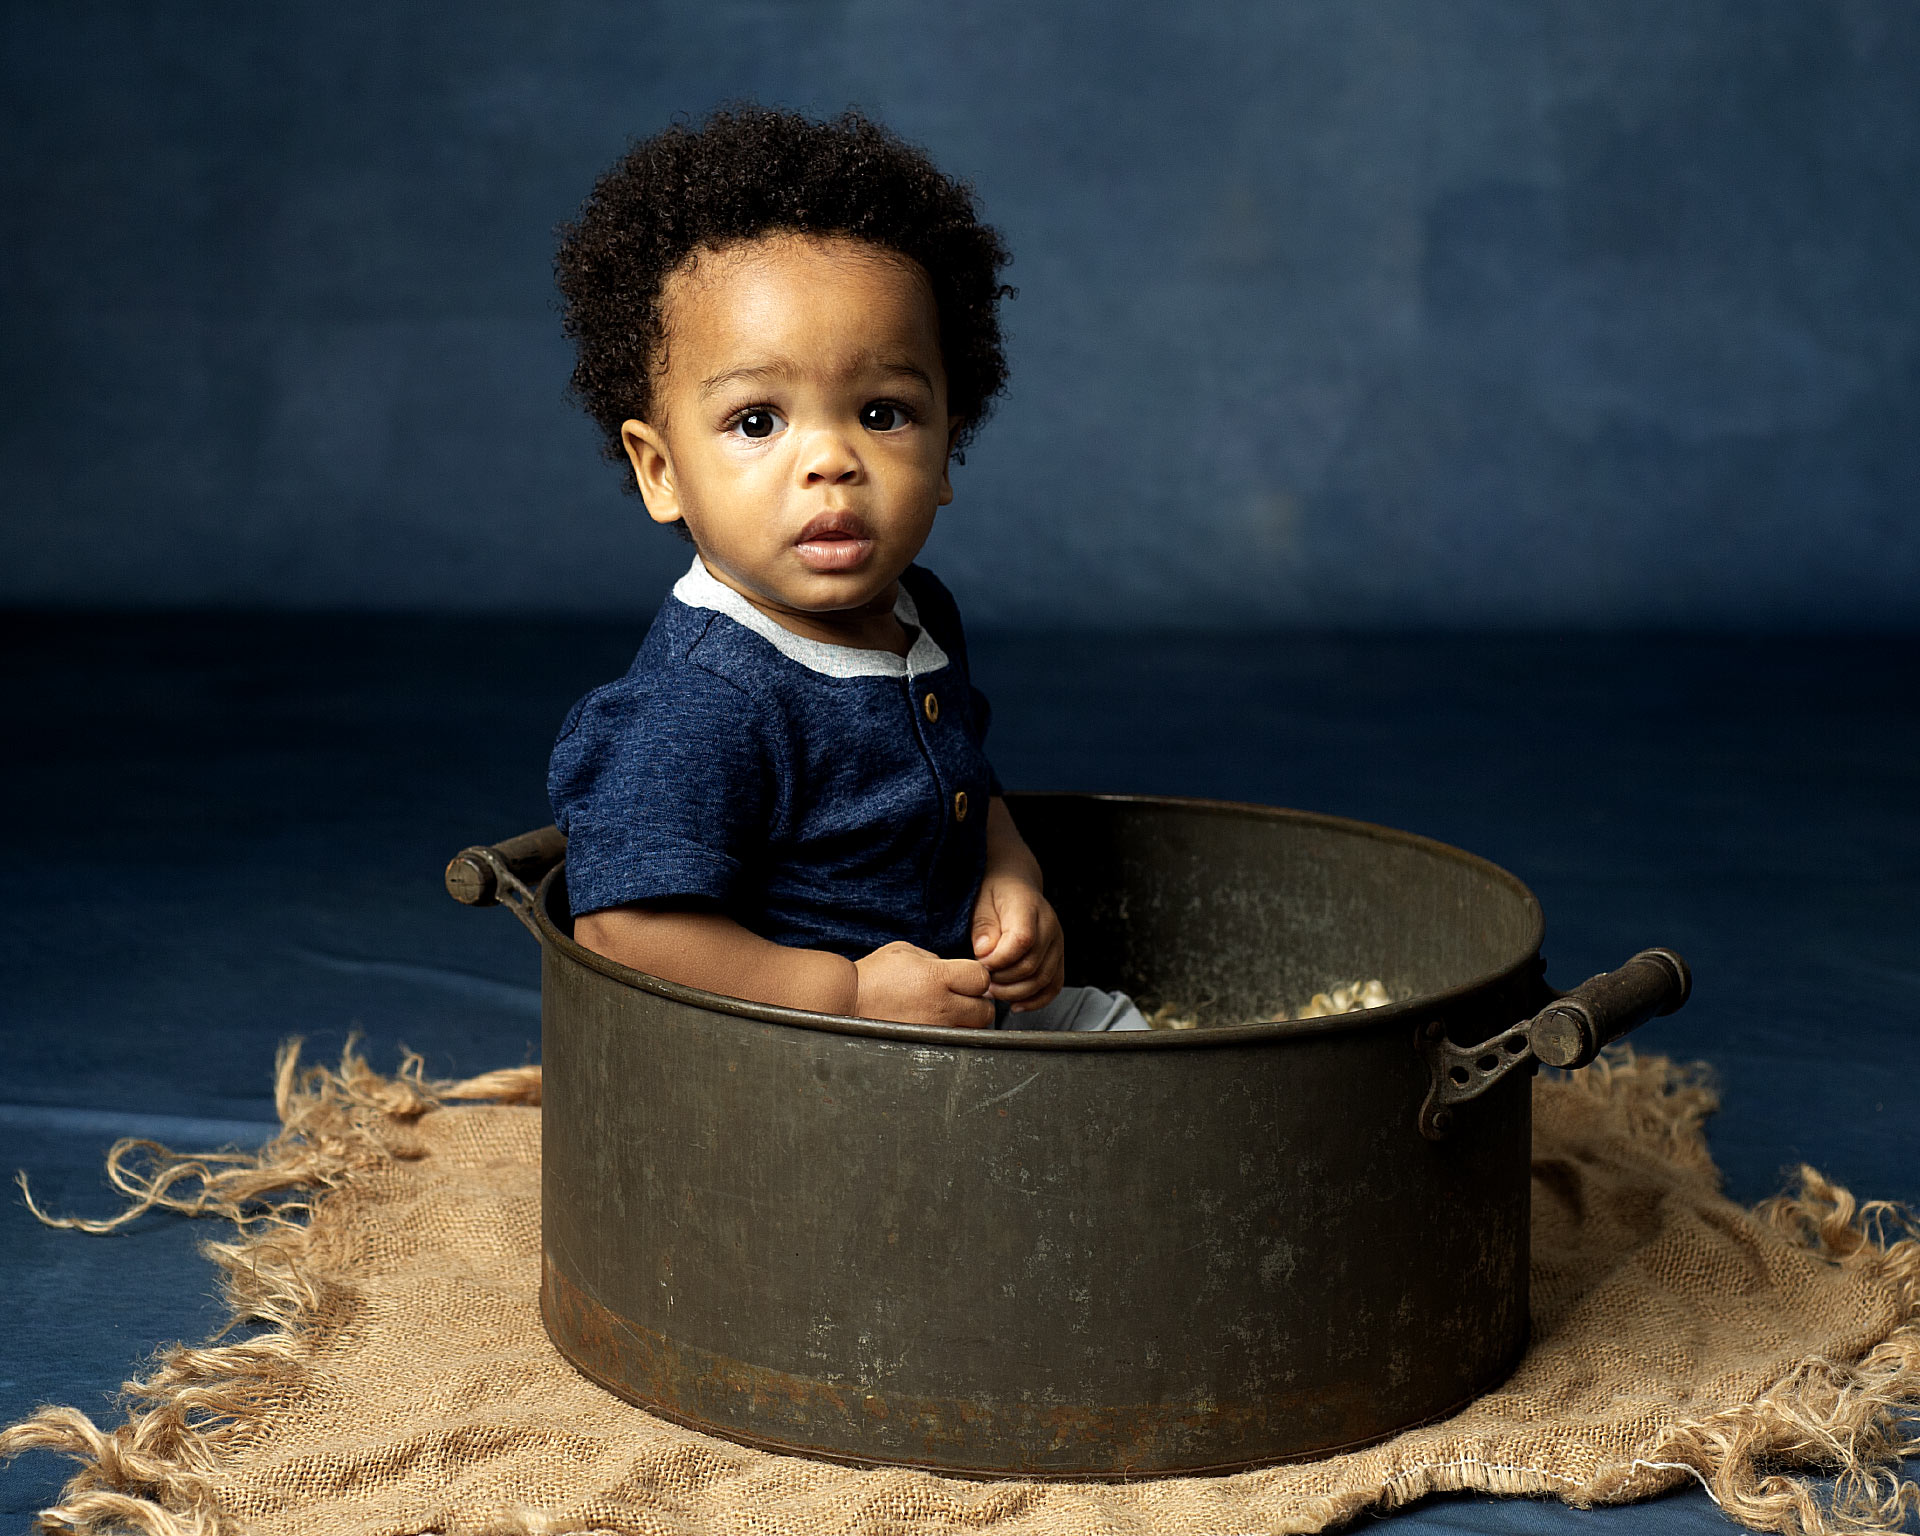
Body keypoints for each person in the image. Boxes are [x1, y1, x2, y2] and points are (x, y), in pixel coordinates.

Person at [547, 105, 1145, 1034]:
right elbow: (625, 933)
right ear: (661, 470)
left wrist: (1011, 879)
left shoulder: (915, 611)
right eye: (758, 421)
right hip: (796, 1051)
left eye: (882, 413)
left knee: (1137, 1047)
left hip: (947, 1013)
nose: (831, 460)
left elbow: (958, 784)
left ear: (949, 449)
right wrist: (849, 995)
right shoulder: (701, 701)